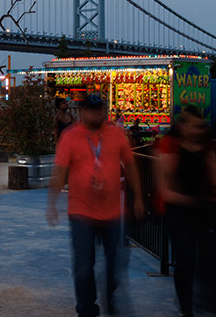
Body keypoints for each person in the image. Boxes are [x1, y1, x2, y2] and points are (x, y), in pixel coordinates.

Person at [47, 93, 144, 317]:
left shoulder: (115, 134)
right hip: (81, 212)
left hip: (111, 212)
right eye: (92, 110)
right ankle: (86, 308)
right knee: (83, 266)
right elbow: (60, 169)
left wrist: (137, 196)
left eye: (99, 109)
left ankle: (110, 295)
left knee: (114, 265)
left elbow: (129, 164)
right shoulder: (71, 137)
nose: (97, 113)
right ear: (82, 112)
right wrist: (52, 202)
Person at [156, 106, 216, 317]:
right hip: (178, 209)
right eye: (193, 125)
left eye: (200, 126)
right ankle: (186, 307)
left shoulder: (206, 146)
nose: (197, 129)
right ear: (182, 126)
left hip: (200, 208)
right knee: (186, 258)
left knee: (213, 254)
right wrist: (190, 200)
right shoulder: (170, 146)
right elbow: (165, 188)